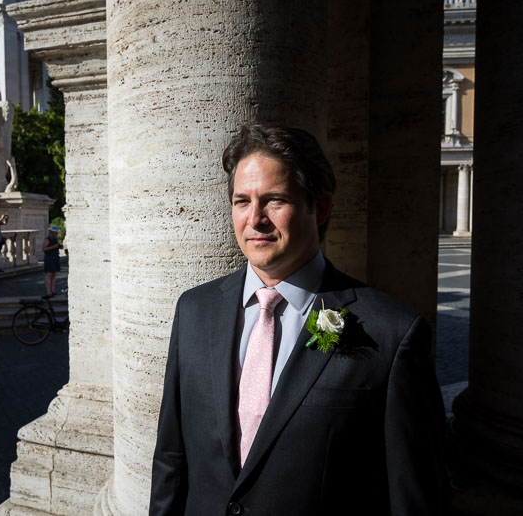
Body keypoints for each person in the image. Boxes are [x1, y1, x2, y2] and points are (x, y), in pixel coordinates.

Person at [150, 125, 450, 515]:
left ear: (320, 208)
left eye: (274, 201)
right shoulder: (194, 310)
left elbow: (414, 495)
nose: (254, 219)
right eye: (242, 201)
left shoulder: (391, 333)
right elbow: (172, 459)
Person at [42, 226, 62, 296]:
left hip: (55, 257)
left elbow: (56, 245)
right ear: (51, 232)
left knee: (54, 274)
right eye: (55, 232)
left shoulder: (55, 239)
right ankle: (48, 291)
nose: (56, 234)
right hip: (49, 258)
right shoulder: (47, 240)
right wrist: (53, 247)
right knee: (49, 274)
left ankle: (52, 290)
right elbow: (44, 249)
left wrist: (59, 246)